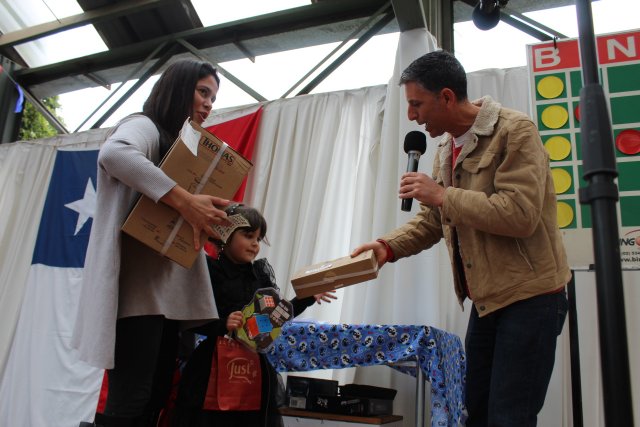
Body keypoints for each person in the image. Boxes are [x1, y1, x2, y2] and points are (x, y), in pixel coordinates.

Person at [351, 50, 571, 427]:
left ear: (447, 97)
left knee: (510, 417)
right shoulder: (444, 150)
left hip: (531, 297)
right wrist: (386, 247)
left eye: (417, 104)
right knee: (476, 412)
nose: (412, 116)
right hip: (487, 301)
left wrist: (442, 195)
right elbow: (435, 220)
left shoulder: (515, 130)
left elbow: (520, 214)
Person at [73, 58, 231, 427]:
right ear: (179, 88)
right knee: (131, 400)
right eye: (202, 92)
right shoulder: (143, 125)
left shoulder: (183, 143)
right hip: (137, 294)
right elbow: (114, 154)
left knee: (156, 397)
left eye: (213, 97)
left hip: (165, 295)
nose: (208, 104)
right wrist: (185, 201)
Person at [171, 204, 336, 427]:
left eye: (258, 238)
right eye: (248, 236)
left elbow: (276, 316)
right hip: (211, 365)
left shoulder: (259, 274)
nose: (255, 244)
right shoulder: (209, 270)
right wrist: (222, 324)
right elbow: (187, 318)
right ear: (225, 235)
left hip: (252, 363)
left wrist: (306, 297)